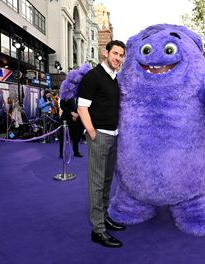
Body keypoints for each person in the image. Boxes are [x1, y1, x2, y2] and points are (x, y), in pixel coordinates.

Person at [77, 40, 126, 248]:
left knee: (106, 181)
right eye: (115, 53)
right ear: (106, 53)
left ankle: (104, 217)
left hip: (113, 135)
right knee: (96, 183)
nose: (118, 58)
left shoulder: (114, 78)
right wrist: (92, 133)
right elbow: (82, 107)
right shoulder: (93, 76)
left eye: (121, 55)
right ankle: (98, 230)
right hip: (99, 136)